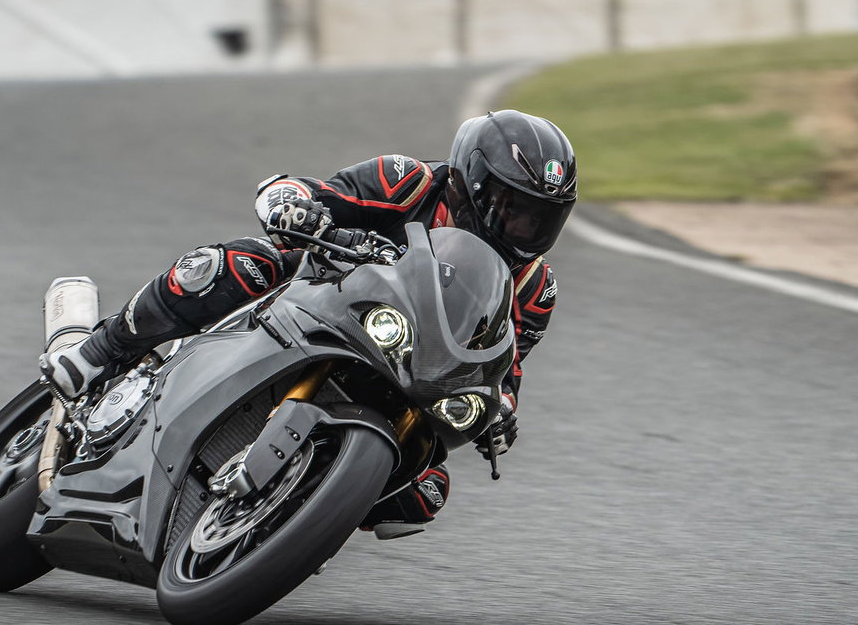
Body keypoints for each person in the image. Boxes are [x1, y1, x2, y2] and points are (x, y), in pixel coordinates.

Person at [39, 109, 576, 528]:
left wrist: (502, 408)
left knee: (425, 491)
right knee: (239, 265)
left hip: (410, 369)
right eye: (511, 205)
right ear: (469, 181)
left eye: (538, 218)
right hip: (324, 298)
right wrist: (295, 208)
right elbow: (306, 192)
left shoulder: (534, 288)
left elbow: (505, 366)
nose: (521, 226)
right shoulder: (407, 182)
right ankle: (96, 354)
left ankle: (292, 515)